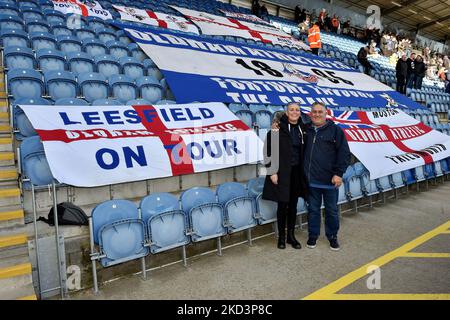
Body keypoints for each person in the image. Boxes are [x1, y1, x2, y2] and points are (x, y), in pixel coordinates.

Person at [303, 102, 351, 251]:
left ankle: (332, 236)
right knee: (313, 210)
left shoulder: (335, 131)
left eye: (320, 112)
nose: (317, 114)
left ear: (326, 114)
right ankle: (313, 235)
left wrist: (338, 173)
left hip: (330, 181)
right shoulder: (306, 130)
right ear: (310, 114)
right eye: (314, 112)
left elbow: (344, 154)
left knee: (331, 211)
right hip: (311, 181)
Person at [262, 103, 309, 250]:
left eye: (297, 110)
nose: (295, 112)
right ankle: (281, 237)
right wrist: (272, 172)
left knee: (293, 206)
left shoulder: (304, 130)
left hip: (297, 173)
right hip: (281, 173)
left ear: (300, 113)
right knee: (282, 205)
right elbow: (268, 152)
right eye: (291, 110)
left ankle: (291, 236)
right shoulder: (276, 130)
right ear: (287, 113)